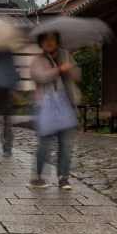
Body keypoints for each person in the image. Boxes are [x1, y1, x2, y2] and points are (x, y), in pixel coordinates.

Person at [29, 31, 81, 190]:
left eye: (52, 38)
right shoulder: (39, 60)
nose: (49, 42)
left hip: (66, 105)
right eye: (46, 39)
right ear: (41, 43)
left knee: (65, 144)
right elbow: (40, 77)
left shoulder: (65, 56)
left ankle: (63, 177)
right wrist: (59, 70)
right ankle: (37, 177)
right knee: (45, 144)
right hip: (45, 106)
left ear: (57, 40)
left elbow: (78, 75)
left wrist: (71, 70)